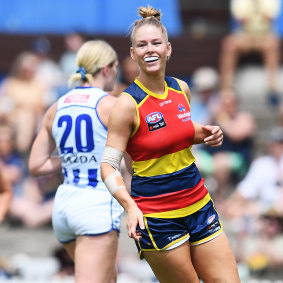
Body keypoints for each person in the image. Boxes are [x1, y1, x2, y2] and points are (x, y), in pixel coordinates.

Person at [101, 6, 240, 283]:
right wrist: (129, 206)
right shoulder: (127, 105)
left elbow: (178, 131)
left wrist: (209, 132)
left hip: (199, 205)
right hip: (157, 217)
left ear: (168, 49)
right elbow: (108, 165)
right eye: (141, 45)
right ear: (132, 53)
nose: (149, 49)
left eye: (156, 43)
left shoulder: (181, 89)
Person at [29, 40, 124, 283]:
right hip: (95, 205)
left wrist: (73, 157)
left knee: (109, 278)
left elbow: (36, 165)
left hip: (64, 207)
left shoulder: (57, 106)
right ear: (106, 68)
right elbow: (136, 160)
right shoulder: (111, 105)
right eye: (116, 67)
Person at [219, 0, 281, 102]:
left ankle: (272, 90)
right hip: (244, 35)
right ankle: (226, 89)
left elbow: (270, 18)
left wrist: (256, 7)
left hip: (265, 35)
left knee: (273, 45)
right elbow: (241, 19)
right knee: (229, 45)